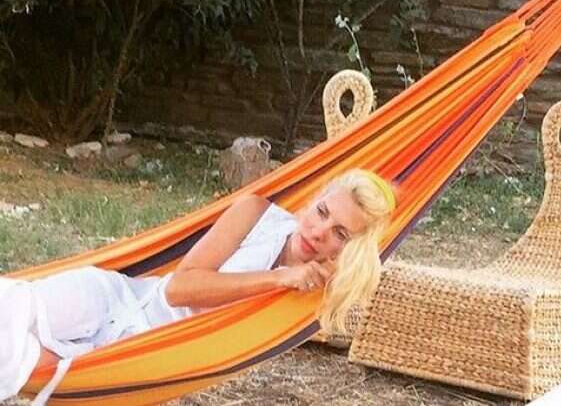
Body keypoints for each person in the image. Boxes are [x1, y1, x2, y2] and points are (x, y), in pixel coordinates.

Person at [0, 168, 396, 402]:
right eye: (322, 211)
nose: (319, 231)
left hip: (141, 357)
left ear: (351, 249)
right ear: (313, 200)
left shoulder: (313, 297)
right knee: (11, 306)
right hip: (115, 300)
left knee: (20, 361)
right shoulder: (256, 213)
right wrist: (278, 277)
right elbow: (179, 289)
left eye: (340, 233)